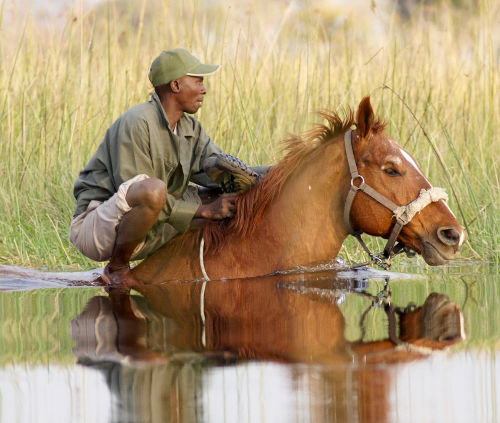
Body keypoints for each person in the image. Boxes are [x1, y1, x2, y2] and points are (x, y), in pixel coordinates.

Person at [70, 48, 262, 289]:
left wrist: (277, 173)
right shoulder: (137, 122)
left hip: (148, 222)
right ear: (175, 85)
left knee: (220, 196)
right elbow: (137, 194)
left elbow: (223, 171)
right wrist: (203, 211)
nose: (204, 89)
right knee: (154, 190)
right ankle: (116, 269)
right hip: (98, 227)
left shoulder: (191, 128)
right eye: (198, 80)